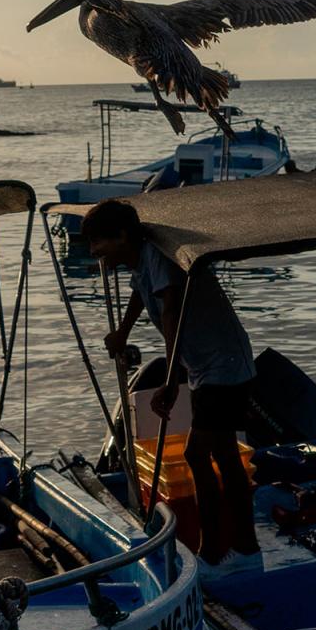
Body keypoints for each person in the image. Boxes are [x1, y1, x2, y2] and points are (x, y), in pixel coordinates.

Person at [83, 198, 260, 571]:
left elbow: (171, 314)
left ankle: (214, 553)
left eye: (99, 242)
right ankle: (245, 548)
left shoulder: (159, 258)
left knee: (199, 454)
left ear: (122, 236)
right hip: (207, 367)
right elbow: (139, 291)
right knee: (224, 454)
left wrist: (170, 381)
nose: (94, 251)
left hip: (222, 366)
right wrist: (123, 332)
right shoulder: (143, 260)